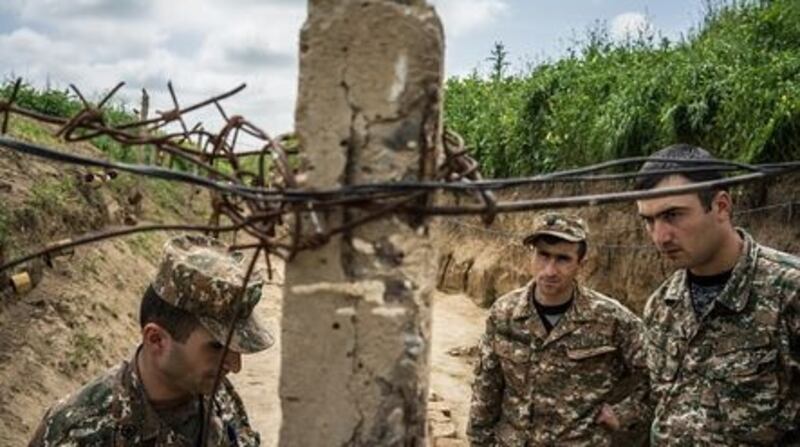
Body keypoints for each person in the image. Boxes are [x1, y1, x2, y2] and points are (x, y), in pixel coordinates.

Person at [28, 234, 274, 446]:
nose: (236, 367)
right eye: (217, 347)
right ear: (156, 340)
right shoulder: (77, 433)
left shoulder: (215, 393)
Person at [635, 143, 800, 444]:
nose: (660, 237)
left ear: (721, 207)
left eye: (673, 215)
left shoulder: (788, 292)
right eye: (649, 220)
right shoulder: (661, 307)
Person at [467, 212, 651, 446]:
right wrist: (478, 441)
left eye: (563, 259)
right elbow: (487, 387)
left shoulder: (612, 319)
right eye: (543, 255)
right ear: (530, 255)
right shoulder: (504, 314)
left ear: (581, 264)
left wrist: (624, 413)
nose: (550, 270)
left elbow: (659, 374)